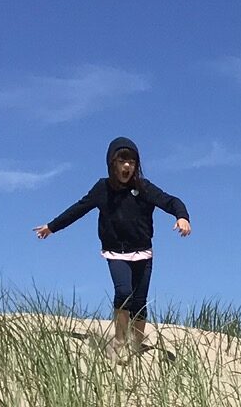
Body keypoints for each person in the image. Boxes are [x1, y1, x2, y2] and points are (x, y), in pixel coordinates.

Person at [34, 136, 190, 354]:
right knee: (124, 293)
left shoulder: (143, 187)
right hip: (116, 253)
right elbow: (78, 209)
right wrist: (52, 227)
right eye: (122, 161)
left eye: (132, 162)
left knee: (139, 302)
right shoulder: (103, 188)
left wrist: (182, 217)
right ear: (112, 164)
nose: (127, 166)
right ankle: (119, 342)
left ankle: (136, 346)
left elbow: (170, 201)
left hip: (143, 252)